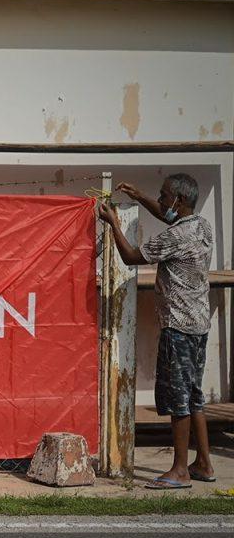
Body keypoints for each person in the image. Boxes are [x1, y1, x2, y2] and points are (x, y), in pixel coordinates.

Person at [97, 173, 215, 489]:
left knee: (179, 399)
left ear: (179, 200)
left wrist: (114, 224)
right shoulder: (201, 226)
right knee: (194, 397)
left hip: (177, 327)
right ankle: (203, 463)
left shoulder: (174, 238)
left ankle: (179, 470)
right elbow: (167, 215)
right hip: (199, 325)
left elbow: (132, 257)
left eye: (163, 195)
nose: (160, 200)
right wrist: (138, 195)